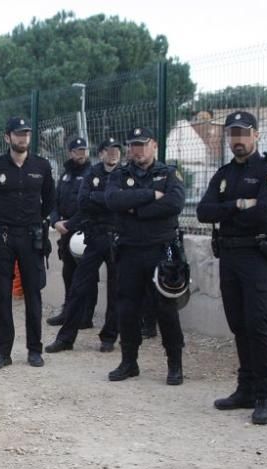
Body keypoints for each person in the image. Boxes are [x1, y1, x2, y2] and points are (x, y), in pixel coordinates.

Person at [197, 110, 267, 425]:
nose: (237, 139)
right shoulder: (223, 174)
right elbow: (203, 212)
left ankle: (264, 396)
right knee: (238, 325)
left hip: (257, 257)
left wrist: (228, 212)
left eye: (243, 133)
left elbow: (264, 214)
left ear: (256, 136)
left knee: (257, 326)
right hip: (230, 258)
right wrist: (237, 205)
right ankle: (245, 388)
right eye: (233, 133)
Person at [104, 127, 186, 384]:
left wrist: (135, 210)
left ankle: (175, 365)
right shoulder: (120, 174)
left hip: (161, 249)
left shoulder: (169, 173)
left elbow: (174, 204)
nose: (136, 150)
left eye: (142, 144)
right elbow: (113, 201)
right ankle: (129, 362)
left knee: (166, 309)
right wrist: (150, 195)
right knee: (127, 308)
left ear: (154, 145)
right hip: (129, 250)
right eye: (133, 145)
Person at [0, 117, 55, 370]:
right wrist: (0, 223)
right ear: (7, 137)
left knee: (33, 294)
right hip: (3, 237)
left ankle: (35, 350)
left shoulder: (42, 166)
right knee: (2, 296)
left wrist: (37, 223)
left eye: (26, 134)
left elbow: (50, 201)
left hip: (31, 237)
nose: (22, 138)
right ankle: (2, 352)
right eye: (18, 134)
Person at [45, 136, 123, 354]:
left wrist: (102, 198)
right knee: (78, 287)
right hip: (94, 236)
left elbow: (121, 201)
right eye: (108, 150)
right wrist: (107, 199)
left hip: (118, 238)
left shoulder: (125, 174)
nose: (113, 153)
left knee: (115, 290)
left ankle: (109, 337)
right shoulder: (93, 173)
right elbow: (83, 202)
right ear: (101, 154)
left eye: (116, 149)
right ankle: (66, 338)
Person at [47, 137, 94, 328]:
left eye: (84, 150)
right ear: (70, 153)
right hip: (65, 232)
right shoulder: (66, 175)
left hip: (83, 231)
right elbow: (54, 201)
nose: (81, 154)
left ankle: (85, 316)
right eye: (77, 151)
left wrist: (71, 223)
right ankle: (68, 312)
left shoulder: (92, 174)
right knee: (68, 273)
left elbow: (89, 204)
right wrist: (56, 221)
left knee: (87, 276)